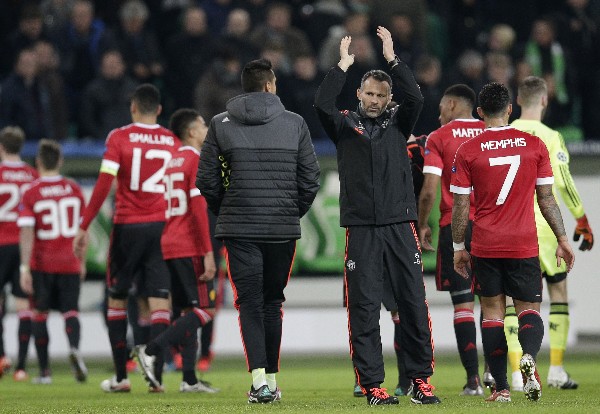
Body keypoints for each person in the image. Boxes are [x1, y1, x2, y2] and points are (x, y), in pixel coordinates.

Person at [314, 28, 440, 406]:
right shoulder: (343, 125)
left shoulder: (400, 123)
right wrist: (342, 66)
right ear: (358, 94)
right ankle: (373, 384)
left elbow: (415, 95)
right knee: (364, 307)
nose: (374, 100)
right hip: (362, 229)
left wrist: (392, 59)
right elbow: (321, 102)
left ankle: (420, 380)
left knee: (414, 303)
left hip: (401, 226)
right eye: (369, 93)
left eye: (381, 95)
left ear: (389, 100)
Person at [197, 58, 320, 403]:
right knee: (272, 303)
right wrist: (291, 211)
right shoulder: (294, 123)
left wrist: (227, 210)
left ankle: (259, 383)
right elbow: (310, 180)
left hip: (240, 229)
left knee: (249, 304)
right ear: (269, 85)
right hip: (281, 229)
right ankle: (271, 381)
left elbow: (206, 179)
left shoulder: (220, 124)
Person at [451, 81, 575, 403]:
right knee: (529, 309)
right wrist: (562, 239)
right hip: (523, 243)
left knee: (492, 312)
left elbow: (462, 205)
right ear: (510, 109)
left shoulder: (469, 151)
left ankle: (502, 388)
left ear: (480, 113)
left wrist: (458, 248)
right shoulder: (533, 145)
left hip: (486, 244)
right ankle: (529, 357)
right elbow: (546, 199)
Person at [73, 84, 178, 392]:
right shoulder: (171, 141)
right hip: (162, 227)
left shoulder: (118, 137)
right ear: (158, 110)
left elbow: (105, 183)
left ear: (133, 107)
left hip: (128, 227)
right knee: (160, 300)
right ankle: (156, 375)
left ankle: (121, 377)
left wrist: (84, 226)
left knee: (117, 298)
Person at [510, 75, 593, 389]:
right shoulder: (550, 136)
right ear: (544, 100)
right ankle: (556, 369)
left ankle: (517, 373)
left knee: (510, 301)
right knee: (558, 294)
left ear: (518, 101)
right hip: (545, 229)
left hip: (513, 228)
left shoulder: (506, 133)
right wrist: (581, 219)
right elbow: (563, 182)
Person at [134, 108, 219, 394]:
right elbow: (197, 209)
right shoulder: (195, 159)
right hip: (189, 244)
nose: (207, 129)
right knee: (205, 309)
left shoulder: (173, 161)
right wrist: (208, 252)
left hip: (169, 242)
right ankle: (151, 351)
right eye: (203, 124)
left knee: (187, 310)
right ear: (192, 132)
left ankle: (190, 379)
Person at [417, 84, 486, 396]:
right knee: (494, 301)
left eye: (442, 107)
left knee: (463, 304)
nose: (439, 113)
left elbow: (430, 188)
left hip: (456, 226)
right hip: (492, 227)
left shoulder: (439, 137)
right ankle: (497, 376)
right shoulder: (491, 131)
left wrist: (422, 225)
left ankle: (472, 380)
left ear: (454, 104)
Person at [18, 139, 87, 384]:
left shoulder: (31, 191)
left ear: (38, 162)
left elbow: (26, 232)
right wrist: (83, 261)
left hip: (42, 262)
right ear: (60, 161)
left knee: (40, 313)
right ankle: (75, 350)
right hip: (69, 260)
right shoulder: (74, 188)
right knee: (70, 311)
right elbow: (83, 229)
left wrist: (24, 267)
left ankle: (45, 372)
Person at [0, 126, 38, 381]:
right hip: (24, 246)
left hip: (0, 243)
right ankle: (22, 367)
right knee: (24, 304)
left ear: (1, 147)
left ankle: (2, 357)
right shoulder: (32, 175)